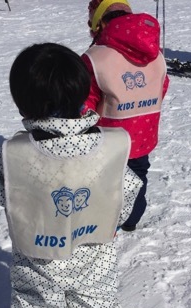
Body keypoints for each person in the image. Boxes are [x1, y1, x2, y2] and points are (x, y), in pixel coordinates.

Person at [0, 43, 143, 308]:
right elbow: (127, 190)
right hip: (93, 258)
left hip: (38, 261)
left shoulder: (16, 154)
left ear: (23, 104)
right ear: (84, 93)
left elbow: (12, 199)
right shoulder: (108, 147)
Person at [82, 0, 169, 232]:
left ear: (99, 22)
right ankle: (131, 219)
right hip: (144, 133)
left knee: (106, 180)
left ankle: (103, 224)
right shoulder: (155, 53)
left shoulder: (95, 58)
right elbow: (162, 84)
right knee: (138, 175)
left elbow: (85, 102)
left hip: (108, 138)